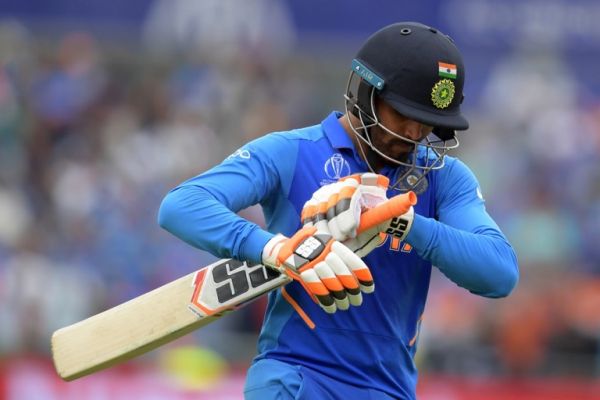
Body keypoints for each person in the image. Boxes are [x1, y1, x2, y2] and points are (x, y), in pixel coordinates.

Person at [158, 22, 519, 400]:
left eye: (427, 122)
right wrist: (276, 249)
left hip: (388, 389)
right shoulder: (291, 151)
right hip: (294, 378)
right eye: (404, 115)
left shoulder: (445, 178)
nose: (415, 133)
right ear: (365, 93)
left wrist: (402, 221)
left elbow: (499, 273)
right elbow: (181, 206)